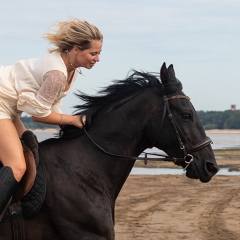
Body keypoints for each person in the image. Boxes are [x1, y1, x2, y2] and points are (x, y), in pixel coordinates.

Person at [0, 18, 103, 220]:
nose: (97, 58)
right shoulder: (57, 73)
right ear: (75, 49)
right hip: (1, 102)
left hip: (10, 107)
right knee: (18, 166)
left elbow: (50, 107)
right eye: (93, 53)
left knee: (31, 148)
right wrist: (72, 120)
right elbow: (38, 114)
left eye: (99, 53)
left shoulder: (68, 67)